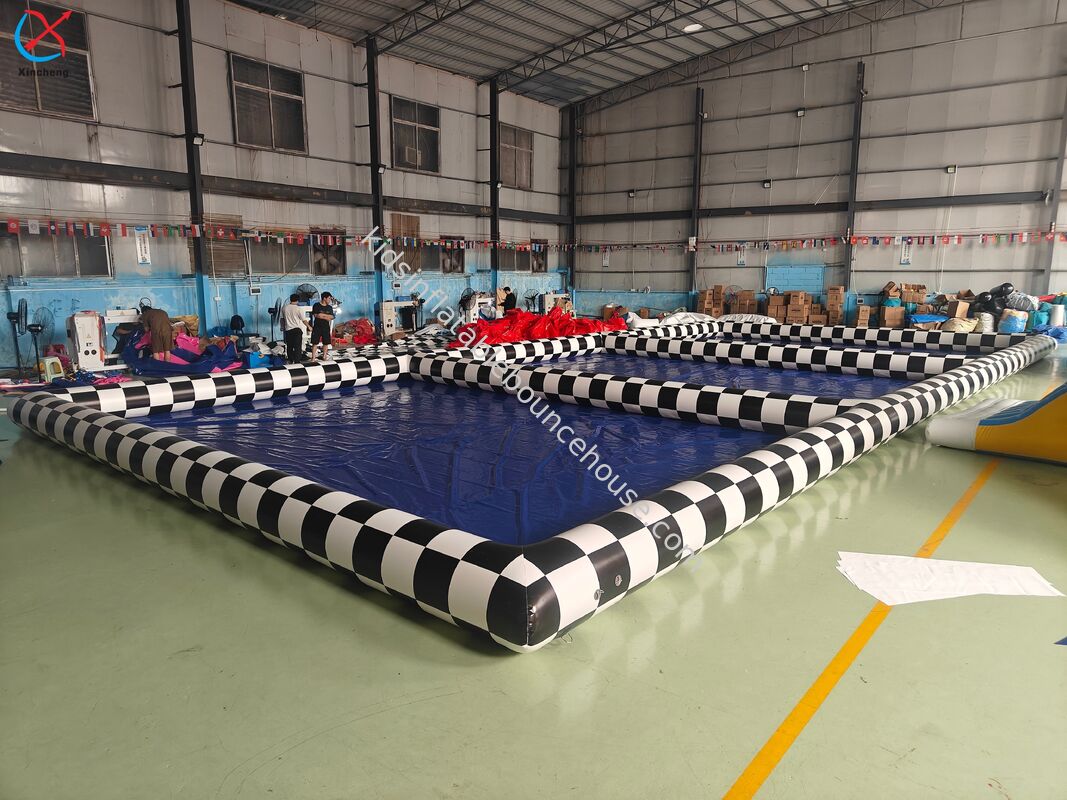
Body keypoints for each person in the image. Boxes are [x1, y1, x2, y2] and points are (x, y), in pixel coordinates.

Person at [280, 293, 309, 364]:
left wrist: (282, 327)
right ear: (298, 300)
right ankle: (297, 361)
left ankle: (290, 360)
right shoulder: (298, 308)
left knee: (289, 346)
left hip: (288, 330)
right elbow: (303, 320)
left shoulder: (284, 308)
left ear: (290, 299)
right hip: (297, 330)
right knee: (297, 346)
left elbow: (282, 319)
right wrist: (309, 326)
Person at [309, 292, 336, 362]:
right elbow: (316, 315)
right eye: (329, 298)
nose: (330, 300)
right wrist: (326, 317)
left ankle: (324, 356)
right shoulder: (316, 305)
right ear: (324, 298)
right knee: (315, 343)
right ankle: (313, 358)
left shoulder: (329, 307)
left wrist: (322, 315)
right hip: (317, 327)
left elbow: (332, 317)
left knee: (326, 343)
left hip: (326, 327)